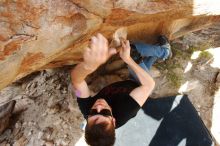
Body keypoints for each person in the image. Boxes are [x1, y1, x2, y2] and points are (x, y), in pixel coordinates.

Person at [71, 33, 171, 146]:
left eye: (93, 112)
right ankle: (165, 52)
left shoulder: (86, 110)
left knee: (145, 64)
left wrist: (87, 66)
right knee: (133, 52)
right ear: (113, 121)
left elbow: (77, 81)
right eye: (105, 112)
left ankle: (157, 52)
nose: (98, 106)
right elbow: (148, 85)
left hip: (127, 84)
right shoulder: (125, 112)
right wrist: (128, 60)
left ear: (88, 120)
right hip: (139, 85)